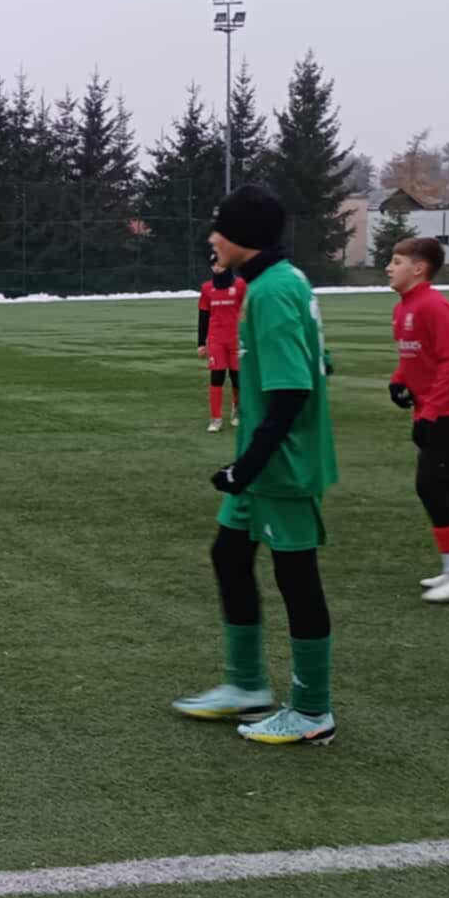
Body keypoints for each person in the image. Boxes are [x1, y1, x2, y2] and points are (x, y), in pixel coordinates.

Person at [170, 186, 338, 746]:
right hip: (263, 461)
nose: (212, 238)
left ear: (242, 235)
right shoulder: (272, 283)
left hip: (282, 465)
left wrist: (248, 466)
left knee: (297, 577)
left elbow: (291, 392)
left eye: (219, 228)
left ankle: (313, 711)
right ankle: (246, 686)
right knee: (230, 555)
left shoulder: (273, 290)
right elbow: (321, 362)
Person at [386, 236, 449, 603]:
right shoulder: (403, 308)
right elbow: (413, 357)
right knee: (447, 483)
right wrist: (398, 381)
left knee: (432, 484)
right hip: (435, 408)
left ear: (419, 268)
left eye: (396, 262)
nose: (389, 268)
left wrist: (429, 414)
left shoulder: (435, 306)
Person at [196, 259, 246, 432]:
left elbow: (247, 310)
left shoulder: (240, 285)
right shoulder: (206, 288)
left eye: (220, 264)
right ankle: (215, 419)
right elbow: (203, 316)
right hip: (216, 339)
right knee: (217, 377)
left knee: (237, 377)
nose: (217, 267)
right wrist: (201, 343)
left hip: (236, 339)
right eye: (214, 264)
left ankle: (237, 411)